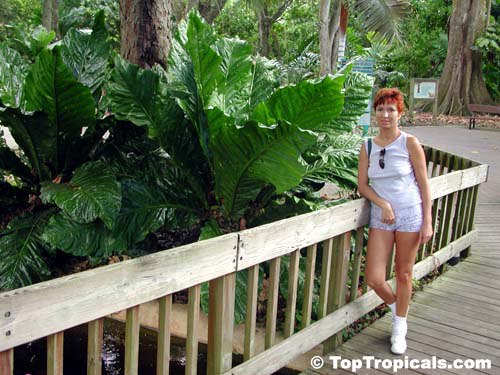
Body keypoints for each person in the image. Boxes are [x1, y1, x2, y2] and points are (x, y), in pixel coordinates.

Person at [357, 88, 433, 355]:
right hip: (382, 217)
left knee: (403, 273)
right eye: (381, 109)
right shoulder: (367, 145)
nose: (385, 114)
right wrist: (383, 203)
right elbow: (362, 186)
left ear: (400, 113)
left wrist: (427, 221)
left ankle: (399, 328)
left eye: (391, 109)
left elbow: (424, 185)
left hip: (411, 214)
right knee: (375, 278)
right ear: (375, 113)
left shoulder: (409, 142)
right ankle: (397, 308)